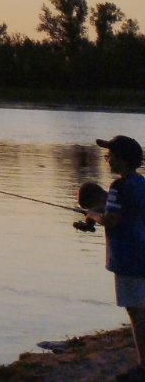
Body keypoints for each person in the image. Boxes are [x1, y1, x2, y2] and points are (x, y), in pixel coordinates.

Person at [84, 134, 145, 380]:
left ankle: (143, 366)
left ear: (121, 159)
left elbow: (112, 219)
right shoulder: (142, 183)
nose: (107, 160)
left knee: (136, 312)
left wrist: (92, 214)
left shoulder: (118, 187)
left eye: (110, 156)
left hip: (128, 258)